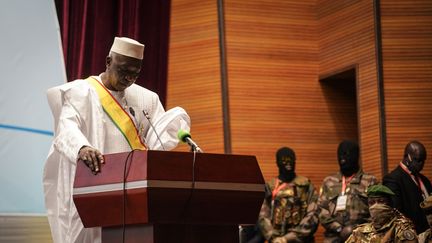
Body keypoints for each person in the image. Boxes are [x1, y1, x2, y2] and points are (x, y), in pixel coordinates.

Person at [43, 37, 190, 243]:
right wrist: (82, 147)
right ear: (108, 61)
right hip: (93, 186)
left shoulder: (147, 98)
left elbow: (158, 138)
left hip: (134, 192)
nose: (128, 79)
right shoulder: (81, 91)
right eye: (123, 71)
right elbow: (66, 128)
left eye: (135, 74)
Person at [317, 140, 378, 243]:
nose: (342, 158)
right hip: (333, 237)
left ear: (356, 156)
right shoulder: (329, 181)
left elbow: (377, 211)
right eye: (340, 155)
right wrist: (338, 228)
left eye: (347, 154)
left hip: (362, 238)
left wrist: (357, 230)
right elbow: (321, 210)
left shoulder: (370, 181)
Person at [257, 147, 319, 243]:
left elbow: (313, 215)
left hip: (301, 240)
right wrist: (274, 238)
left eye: (291, 160)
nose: (288, 163)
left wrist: (289, 238)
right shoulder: (270, 186)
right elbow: (262, 216)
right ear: (277, 163)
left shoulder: (306, 185)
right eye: (284, 160)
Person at [383, 140, 432, 234]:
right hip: (411, 235)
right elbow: (397, 213)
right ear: (406, 156)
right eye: (417, 160)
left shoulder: (425, 180)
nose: (421, 164)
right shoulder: (392, 179)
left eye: (423, 160)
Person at [346, 184, 418, 243]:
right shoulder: (360, 231)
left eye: (381, 201)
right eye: (371, 203)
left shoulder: (401, 228)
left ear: (390, 204)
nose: (376, 206)